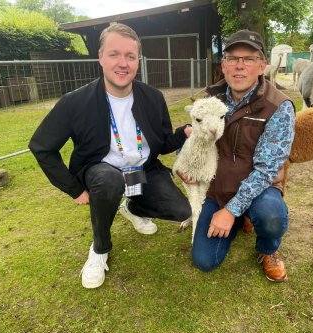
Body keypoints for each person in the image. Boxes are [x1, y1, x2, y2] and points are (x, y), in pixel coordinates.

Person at [29, 23, 192, 289]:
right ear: (101, 57)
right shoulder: (75, 101)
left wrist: (182, 133)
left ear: (137, 61)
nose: (123, 63)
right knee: (109, 181)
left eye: (130, 56)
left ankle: (132, 206)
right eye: (114, 54)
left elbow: (161, 144)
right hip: (102, 172)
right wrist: (73, 189)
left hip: (142, 169)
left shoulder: (152, 97)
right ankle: (99, 249)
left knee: (181, 210)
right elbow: (42, 147)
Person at [178, 30, 295, 282]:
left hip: (259, 187)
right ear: (224, 65)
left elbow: (266, 170)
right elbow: (194, 136)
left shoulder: (278, 107)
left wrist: (230, 211)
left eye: (249, 59)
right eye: (232, 58)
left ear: (262, 66)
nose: (239, 66)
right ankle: (241, 219)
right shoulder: (213, 100)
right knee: (204, 261)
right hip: (217, 187)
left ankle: (267, 248)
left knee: (271, 215)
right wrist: (185, 165)